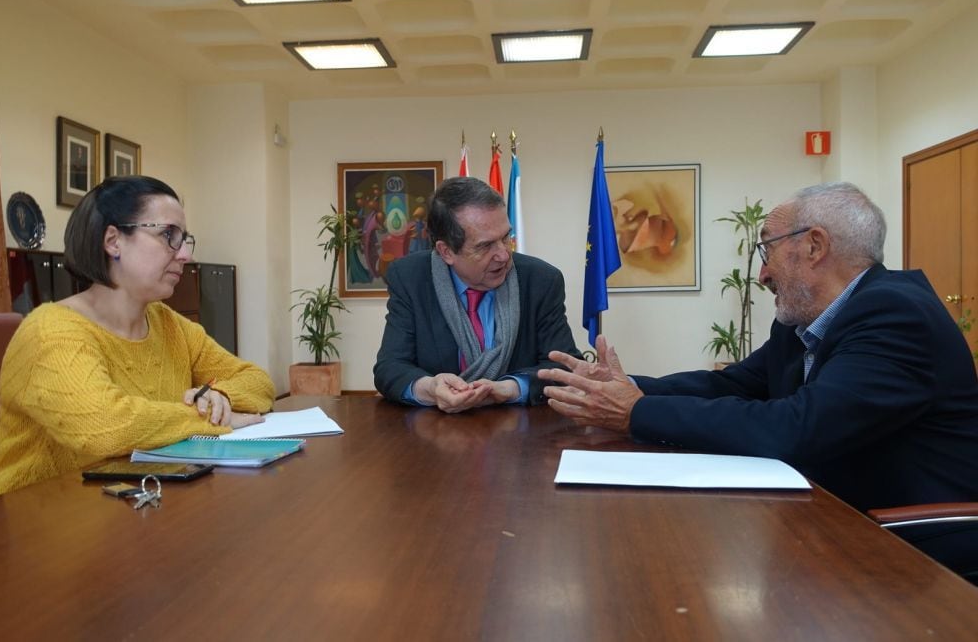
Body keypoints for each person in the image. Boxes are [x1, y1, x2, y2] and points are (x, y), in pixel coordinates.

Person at [539, 182, 978, 512]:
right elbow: (735, 385)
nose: (762, 274)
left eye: (766, 251)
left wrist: (635, 412)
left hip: (908, 538)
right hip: (830, 512)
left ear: (814, 246)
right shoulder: (802, 318)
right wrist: (623, 387)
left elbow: (797, 428)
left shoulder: (896, 315)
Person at [0, 175, 275, 497]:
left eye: (184, 239)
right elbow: (103, 426)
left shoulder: (169, 325)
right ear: (113, 241)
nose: (184, 255)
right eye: (168, 235)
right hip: (28, 525)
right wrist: (206, 417)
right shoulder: (51, 330)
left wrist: (220, 400)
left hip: (130, 505)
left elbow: (258, 382)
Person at [374, 176, 581, 413]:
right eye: (485, 246)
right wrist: (430, 388)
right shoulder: (411, 278)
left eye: (505, 238)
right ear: (446, 252)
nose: (503, 255)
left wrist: (511, 389)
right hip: (436, 434)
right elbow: (390, 368)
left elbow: (566, 368)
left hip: (522, 434)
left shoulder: (541, 280)